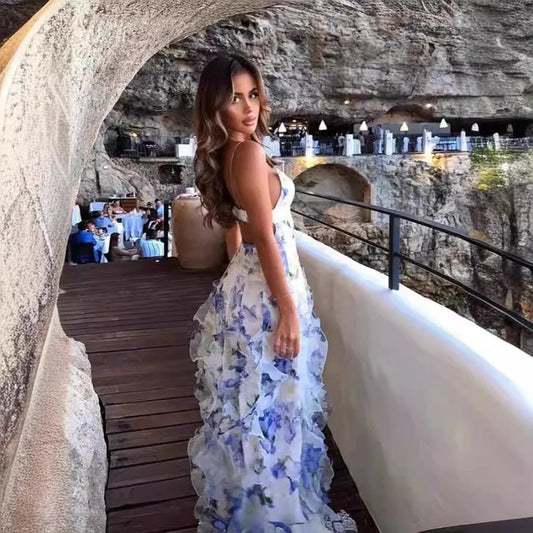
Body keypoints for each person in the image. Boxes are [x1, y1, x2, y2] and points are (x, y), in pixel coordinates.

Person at [188, 54, 357, 532]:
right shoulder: (247, 153)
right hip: (268, 296)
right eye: (234, 98)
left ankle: (261, 512)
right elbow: (263, 234)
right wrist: (287, 310)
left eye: (253, 95)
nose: (248, 107)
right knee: (275, 403)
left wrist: (241, 279)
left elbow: (236, 230)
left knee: (255, 405)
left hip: (252, 288)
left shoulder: (231, 152)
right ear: (215, 107)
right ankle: (275, 517)